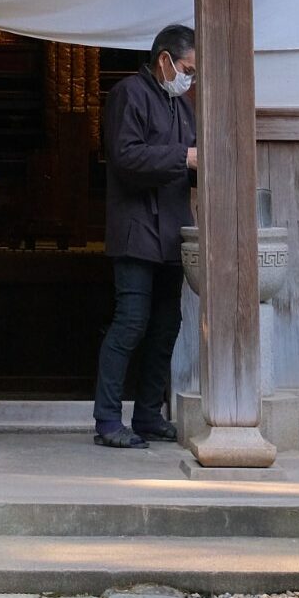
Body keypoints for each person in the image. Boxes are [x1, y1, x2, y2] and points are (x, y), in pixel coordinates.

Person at [92, 23, 196, 448]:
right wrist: (184, 157)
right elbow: (126, 157)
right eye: (187, 69)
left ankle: (149, 415)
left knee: (167, 325)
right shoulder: (128, 94)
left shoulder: (182, 105)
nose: (190, 78)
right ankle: (107, 420)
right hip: (136, 229)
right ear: (164, 60)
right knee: (130, 323)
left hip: (172, 231)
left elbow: (190, 161)